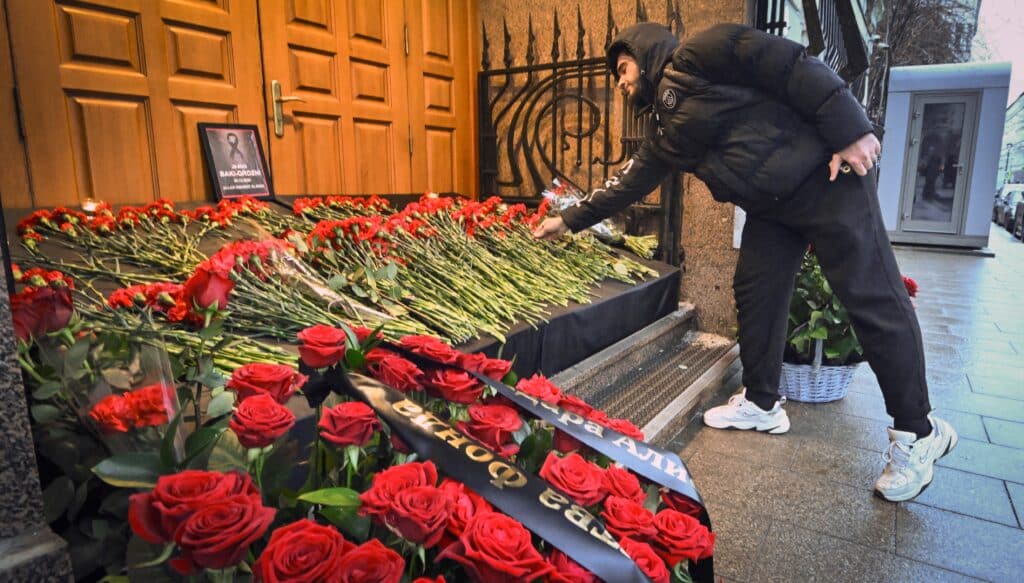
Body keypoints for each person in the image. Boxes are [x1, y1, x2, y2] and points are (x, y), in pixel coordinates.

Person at [532, 22, 957, 503]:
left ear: (642, 52)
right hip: (774, 207)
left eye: (623, 69)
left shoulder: (701, 53)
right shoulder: (666, 133)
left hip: (825, 179)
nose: (620, 82)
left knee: (871, 297)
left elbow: (791, 65)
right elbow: (629, 182)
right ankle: (762, 403)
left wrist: (851, 127)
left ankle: (918, 433)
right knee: (756, 293)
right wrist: (568, 221)